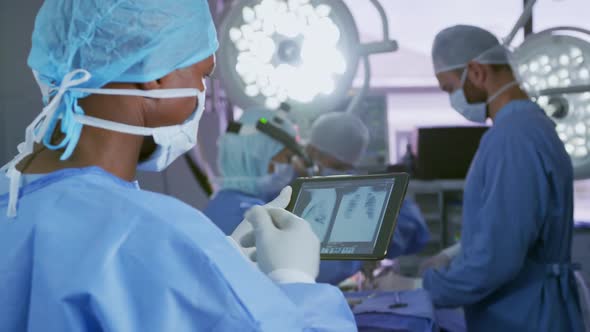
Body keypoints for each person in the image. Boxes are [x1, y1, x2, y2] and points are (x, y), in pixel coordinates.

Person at [0, 1, 357, 331]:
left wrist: (223, 269)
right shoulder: (149, 234)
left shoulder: (10, 205)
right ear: (156, 73)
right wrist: (294, 281)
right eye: (201, 76)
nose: (201, 96)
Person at [388, 25, 584, 332]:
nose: (453, 99)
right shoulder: (529, 127)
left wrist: (418, 286)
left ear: (477, 72)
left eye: (450, 88)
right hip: (533, 306)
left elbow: (496, 261)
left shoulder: (513, 138)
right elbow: (515, 226)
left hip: (524, 315)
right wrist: (456, 253)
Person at [306, 112, 430, 284]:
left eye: (345, 167)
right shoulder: (286, 193)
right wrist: (362, 254)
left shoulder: (368, 193)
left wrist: (373, 242)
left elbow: (416, 231)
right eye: (337, 166)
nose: (341, 173)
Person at [203, 108, 299, 235]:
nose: (290, 166)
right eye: (287, 157)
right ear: (260, 155)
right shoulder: (254, 217)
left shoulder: (219, 204)